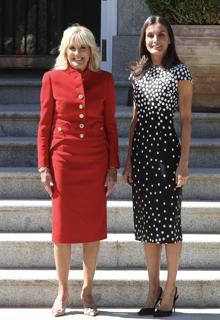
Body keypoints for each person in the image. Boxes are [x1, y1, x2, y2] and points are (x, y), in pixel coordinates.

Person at [37, 25, 119, 317]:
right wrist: (43, 166)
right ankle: (63, 291)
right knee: (62, 230)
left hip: (95, 160)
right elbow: (44, 126)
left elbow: (111, 125)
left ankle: (87, 290)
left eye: (83, 48)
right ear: (64, 51)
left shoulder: (104, 80)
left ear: (91, 51)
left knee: (92, 229)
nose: (77, 54)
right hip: (63, 160)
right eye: (72, 48)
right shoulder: (51, 79)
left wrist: (113, 168)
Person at [123, 16, 193, 317]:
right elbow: (135, 120)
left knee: (169, 226)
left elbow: (187, 120)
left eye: (161, 35)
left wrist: (184, 162)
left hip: (167, 154)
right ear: (144, 39)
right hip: (141, 156)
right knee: (148, 227)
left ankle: (170, 289)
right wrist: (127, 161)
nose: (155, 40)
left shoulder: (181, 72)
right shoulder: (137, 74)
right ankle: (152, 289)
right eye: (150, 35)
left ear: (170, 39)